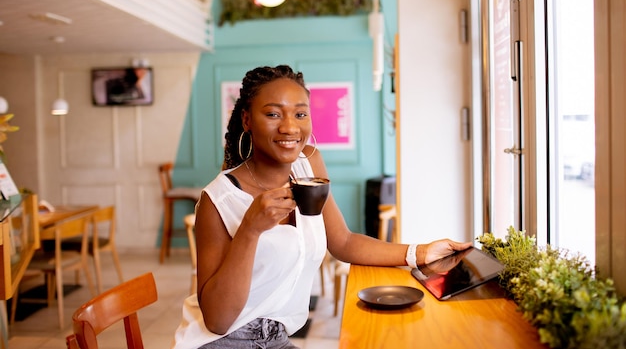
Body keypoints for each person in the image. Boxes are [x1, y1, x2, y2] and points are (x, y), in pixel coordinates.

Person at [171, 65, 471, 349]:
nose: (290, 127)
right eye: (273, 114)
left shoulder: (308, 165)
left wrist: (421, 252)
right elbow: (218, 320)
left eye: (300, 114)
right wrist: (250, 229)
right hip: (222, 342)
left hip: (276, 337)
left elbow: (342, 241)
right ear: (247, 120)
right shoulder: (218, 200)